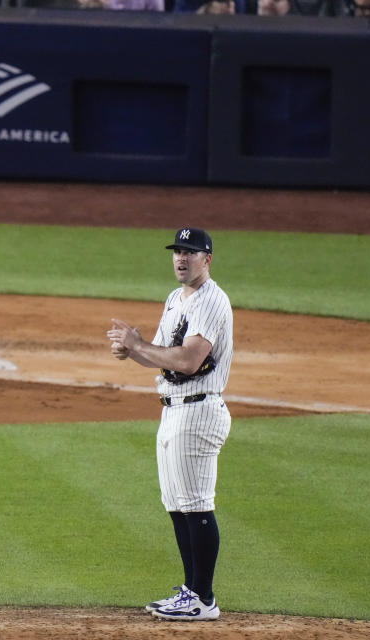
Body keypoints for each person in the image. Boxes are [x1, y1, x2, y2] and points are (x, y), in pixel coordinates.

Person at [107, 227, 233, 622]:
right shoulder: (175, 299)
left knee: (196, 505)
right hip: (173, 410)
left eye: (191, 252)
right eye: (177, 251)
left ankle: (203, 597)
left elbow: (189, 360)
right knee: (177, 506)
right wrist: (132, 351)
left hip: (198, 410)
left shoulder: (212, 301)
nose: (182, 258)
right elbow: (163, 356)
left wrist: (139, 345)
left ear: (207, 259)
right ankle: (191, 591)